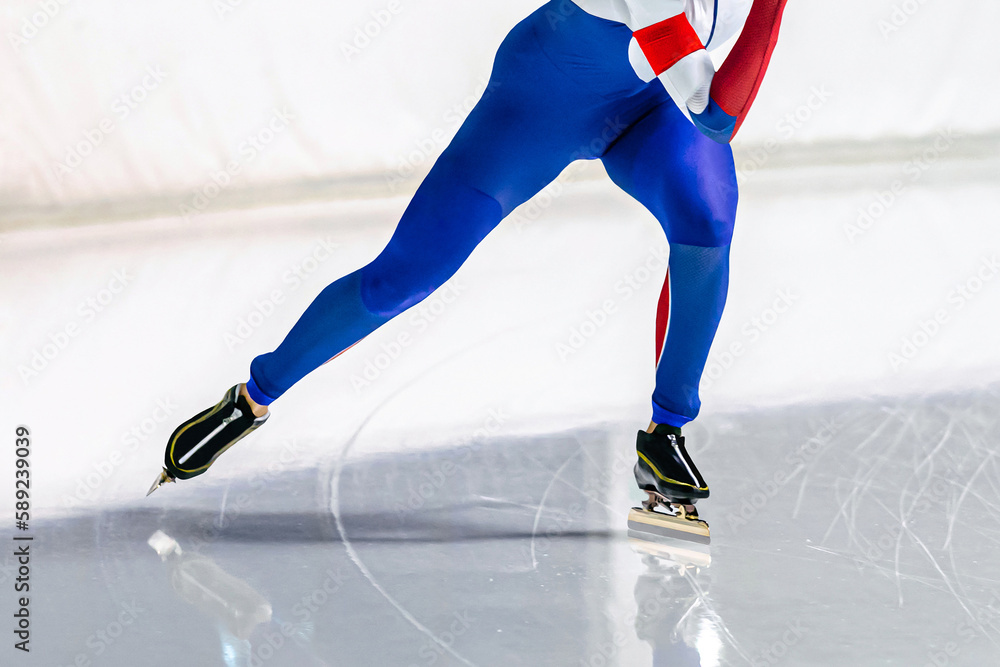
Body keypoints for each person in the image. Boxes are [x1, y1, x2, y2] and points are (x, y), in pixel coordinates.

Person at [150, 0, 791, 533]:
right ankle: (253, 398)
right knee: (405, 277)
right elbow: (716, 112)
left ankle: (666, 432)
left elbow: (716, 121)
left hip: (649, 108)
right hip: (539, 104)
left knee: (706, 222)